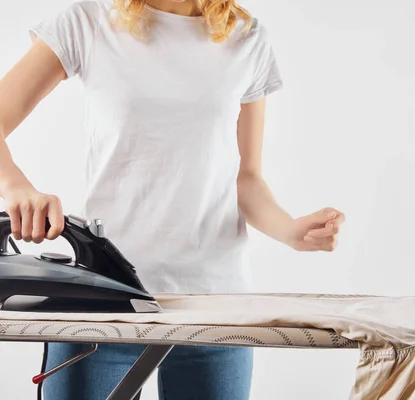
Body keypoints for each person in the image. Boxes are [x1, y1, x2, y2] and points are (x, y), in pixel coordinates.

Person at [0, 0, 345, 398]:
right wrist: (17, 187)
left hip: (216, 304)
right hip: (106, 300)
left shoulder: (246, 37)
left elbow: (246, 178)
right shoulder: (88, 22)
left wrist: (291, 231)